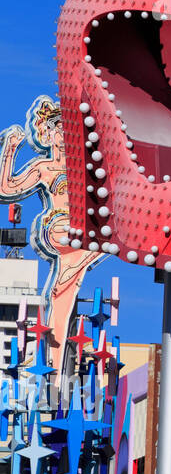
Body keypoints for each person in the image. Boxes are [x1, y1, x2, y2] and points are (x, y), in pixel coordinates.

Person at [0, 95, 103, 349]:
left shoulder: (89, 170)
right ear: (48, 133)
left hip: (83, 237)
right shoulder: (44, 168)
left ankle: (54, 371)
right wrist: (11, 149)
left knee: (60, 296)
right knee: (66, 279)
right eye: (61, 130)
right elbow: (7, 188)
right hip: (58, 231)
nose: (66, 138)